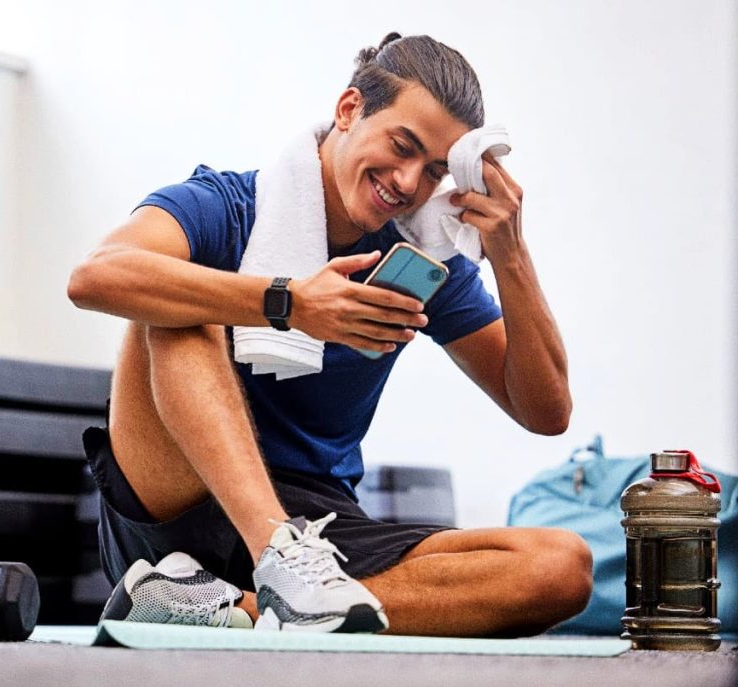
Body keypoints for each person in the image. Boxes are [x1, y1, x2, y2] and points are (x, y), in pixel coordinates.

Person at [67, 32, 592, 635]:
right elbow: (94, 277)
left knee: (560, 567)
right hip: (176, 502)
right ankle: (279, 566)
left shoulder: (418, 257)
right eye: (402, 146)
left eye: (435, 170)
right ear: (348, 110)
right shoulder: (227, 204)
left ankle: (235, 610)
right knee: (182, 295)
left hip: (319, 529)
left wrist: (510, 252)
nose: (408, 181)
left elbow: (546, 411)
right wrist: (286, 302)